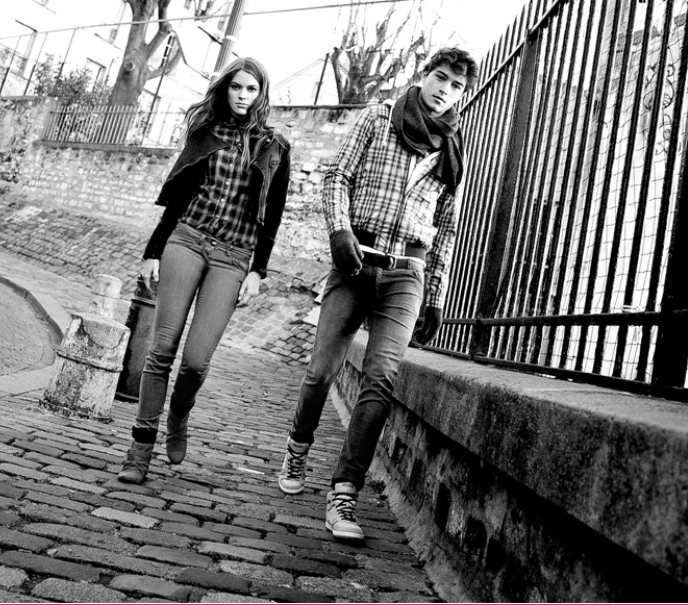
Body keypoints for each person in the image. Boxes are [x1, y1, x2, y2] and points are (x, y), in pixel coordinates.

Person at [276, 47, 479, 540]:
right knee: (321, 371)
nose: (445, 90)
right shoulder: (378, 118)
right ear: (424, 75)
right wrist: (339, 232)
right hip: (356, 260)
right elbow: (337, 177)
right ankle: (297, 447)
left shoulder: (452, 150)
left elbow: (447, 228)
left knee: (381, 379)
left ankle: (344, 494)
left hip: (407, 273)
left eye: (455, 86)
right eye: (440, 77)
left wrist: (436, 294)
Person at [118, 57, 291, 484]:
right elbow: (177, 197)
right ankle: (140, 449)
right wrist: (153, 252)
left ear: (261, 94)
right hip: (187, 241)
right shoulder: (205, 132)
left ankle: (178, 415)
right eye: (236, 87)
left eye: (251, 89)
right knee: (161, 349)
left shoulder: (274, 146)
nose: (242, 96)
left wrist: (259, 271)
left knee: (195, 361)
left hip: (233, 257)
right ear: (225, 88)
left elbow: (273, 214)